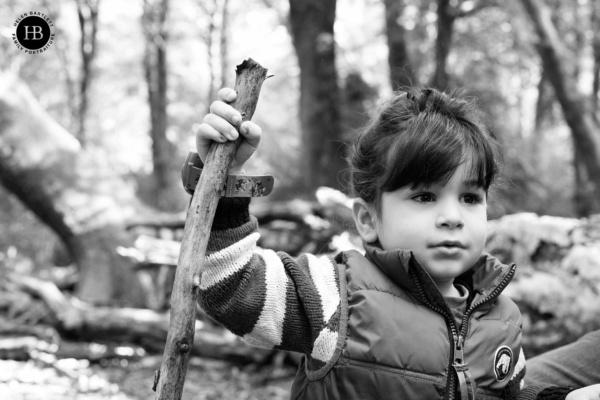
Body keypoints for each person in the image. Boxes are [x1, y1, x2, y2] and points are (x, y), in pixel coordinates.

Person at [191, 87, 600, 399]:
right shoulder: (336, 295)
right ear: (368, 220)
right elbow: (232, 286)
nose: (453, 216)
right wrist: (225, 179)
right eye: (425, 196)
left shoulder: (502, 319)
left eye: (470, 197)